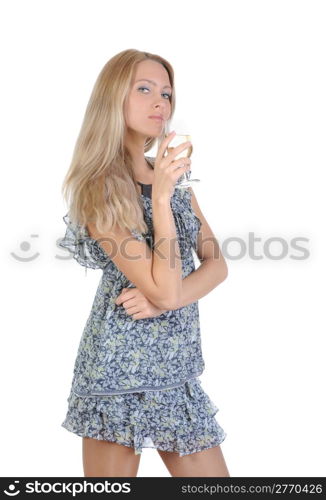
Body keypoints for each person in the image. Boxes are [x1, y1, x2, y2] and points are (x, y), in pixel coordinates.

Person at [59, 49, 230, 477]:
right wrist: (160, 198)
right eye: (144, 89)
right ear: (114, 99)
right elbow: (166, 284)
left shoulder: (169, 174)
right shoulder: (99, 186)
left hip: (177, 368)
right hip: (119, 369)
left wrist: (164, 301)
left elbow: (216, 263)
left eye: (167, 93)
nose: (161, 102)